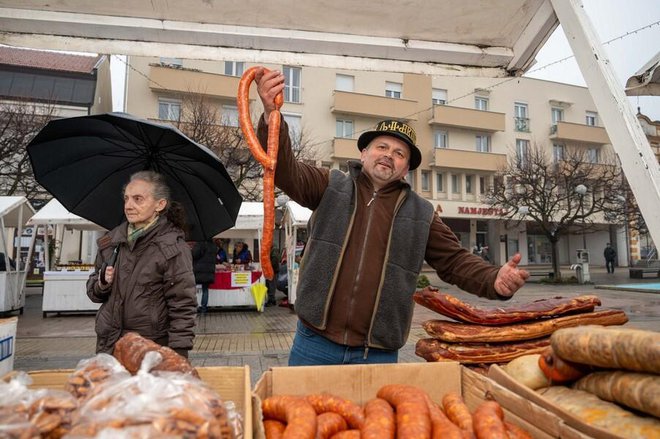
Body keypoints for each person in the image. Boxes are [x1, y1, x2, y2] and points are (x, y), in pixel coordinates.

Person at [254, 68, 530, 366]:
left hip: (377, 353)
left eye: (399, 153)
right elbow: (283, 170)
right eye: (381, 147)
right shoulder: (330, 185)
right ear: (363, 153)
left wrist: (493, 279)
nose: (388, 155)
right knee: (302, 414)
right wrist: (272, 116)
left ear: (406, 168)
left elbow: (455, 262)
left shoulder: (421, 213)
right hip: (314, 343)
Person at [86, 170, 197, 358]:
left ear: (159, 205)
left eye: (138, 199)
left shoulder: (172, 248)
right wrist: (102, 283)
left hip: (150, 349)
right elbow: (93, 293)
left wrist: (178, 354)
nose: (129, 206)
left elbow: (183, 305)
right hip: (109, 345)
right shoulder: (111, 242)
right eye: (126, 198)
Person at [192, 239, 218, 313]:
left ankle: (193, 307)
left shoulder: (200, 244)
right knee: (205, 290)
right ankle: (203, 308)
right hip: (209, 271)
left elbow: (194, 254)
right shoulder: (213, 246)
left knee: (192, 289)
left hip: (198, 270)